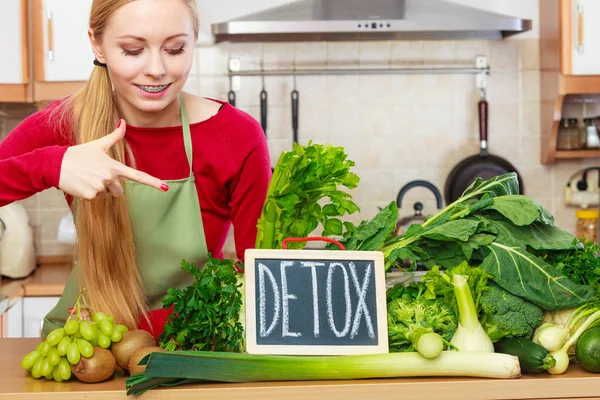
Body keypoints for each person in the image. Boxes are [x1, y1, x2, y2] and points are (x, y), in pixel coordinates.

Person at [0, 0, 271, 340]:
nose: (156, 69)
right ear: (98, 46)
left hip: (197, 343)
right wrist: (52, 165)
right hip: (90, 344)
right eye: (132, 50)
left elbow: (263, 272)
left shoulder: (236, 136)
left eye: (175, 49)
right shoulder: (64, 123)